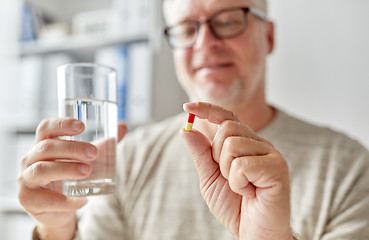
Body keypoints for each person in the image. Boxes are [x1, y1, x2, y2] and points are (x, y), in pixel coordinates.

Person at [18, 0, 369, 239]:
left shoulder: (348, 168)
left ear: (270, 36)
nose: (206, 43)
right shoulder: (127, 158)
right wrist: (56, 230)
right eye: (187, 28)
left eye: (229, 20)